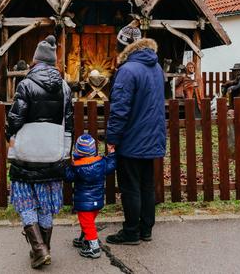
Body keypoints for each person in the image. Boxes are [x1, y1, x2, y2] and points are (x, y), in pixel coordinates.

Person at [6, 35, 73, 269]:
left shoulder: (25, 84)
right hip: (52, 153)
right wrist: (64, 151)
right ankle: (44, 248)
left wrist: (9, 139)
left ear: (35, 61)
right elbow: (69, 123)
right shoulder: (64, 88)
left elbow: (15, 119)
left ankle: (38, 248)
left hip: (27, 152)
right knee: (45, 204)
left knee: (26, 202)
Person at [106, 25, 166, 245]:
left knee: (130, 186)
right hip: (152, 136)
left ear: (123, 46)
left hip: (132, 138)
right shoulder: (157, 68)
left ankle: (131, 232)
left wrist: (112, 139)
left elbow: (119, 109)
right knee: (146, 185)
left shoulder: (128, 70)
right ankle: (146, 229)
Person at [65, 134, 117, 259]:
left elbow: (67, 177)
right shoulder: (101, 163)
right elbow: (112, 164)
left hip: (84, 204)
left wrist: (64, 165)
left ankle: (94, 248)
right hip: (97, 202)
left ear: (77, 151)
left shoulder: (77, 167)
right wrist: (112, 153)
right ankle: (86, 239)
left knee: (88, 224)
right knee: (88, 222)